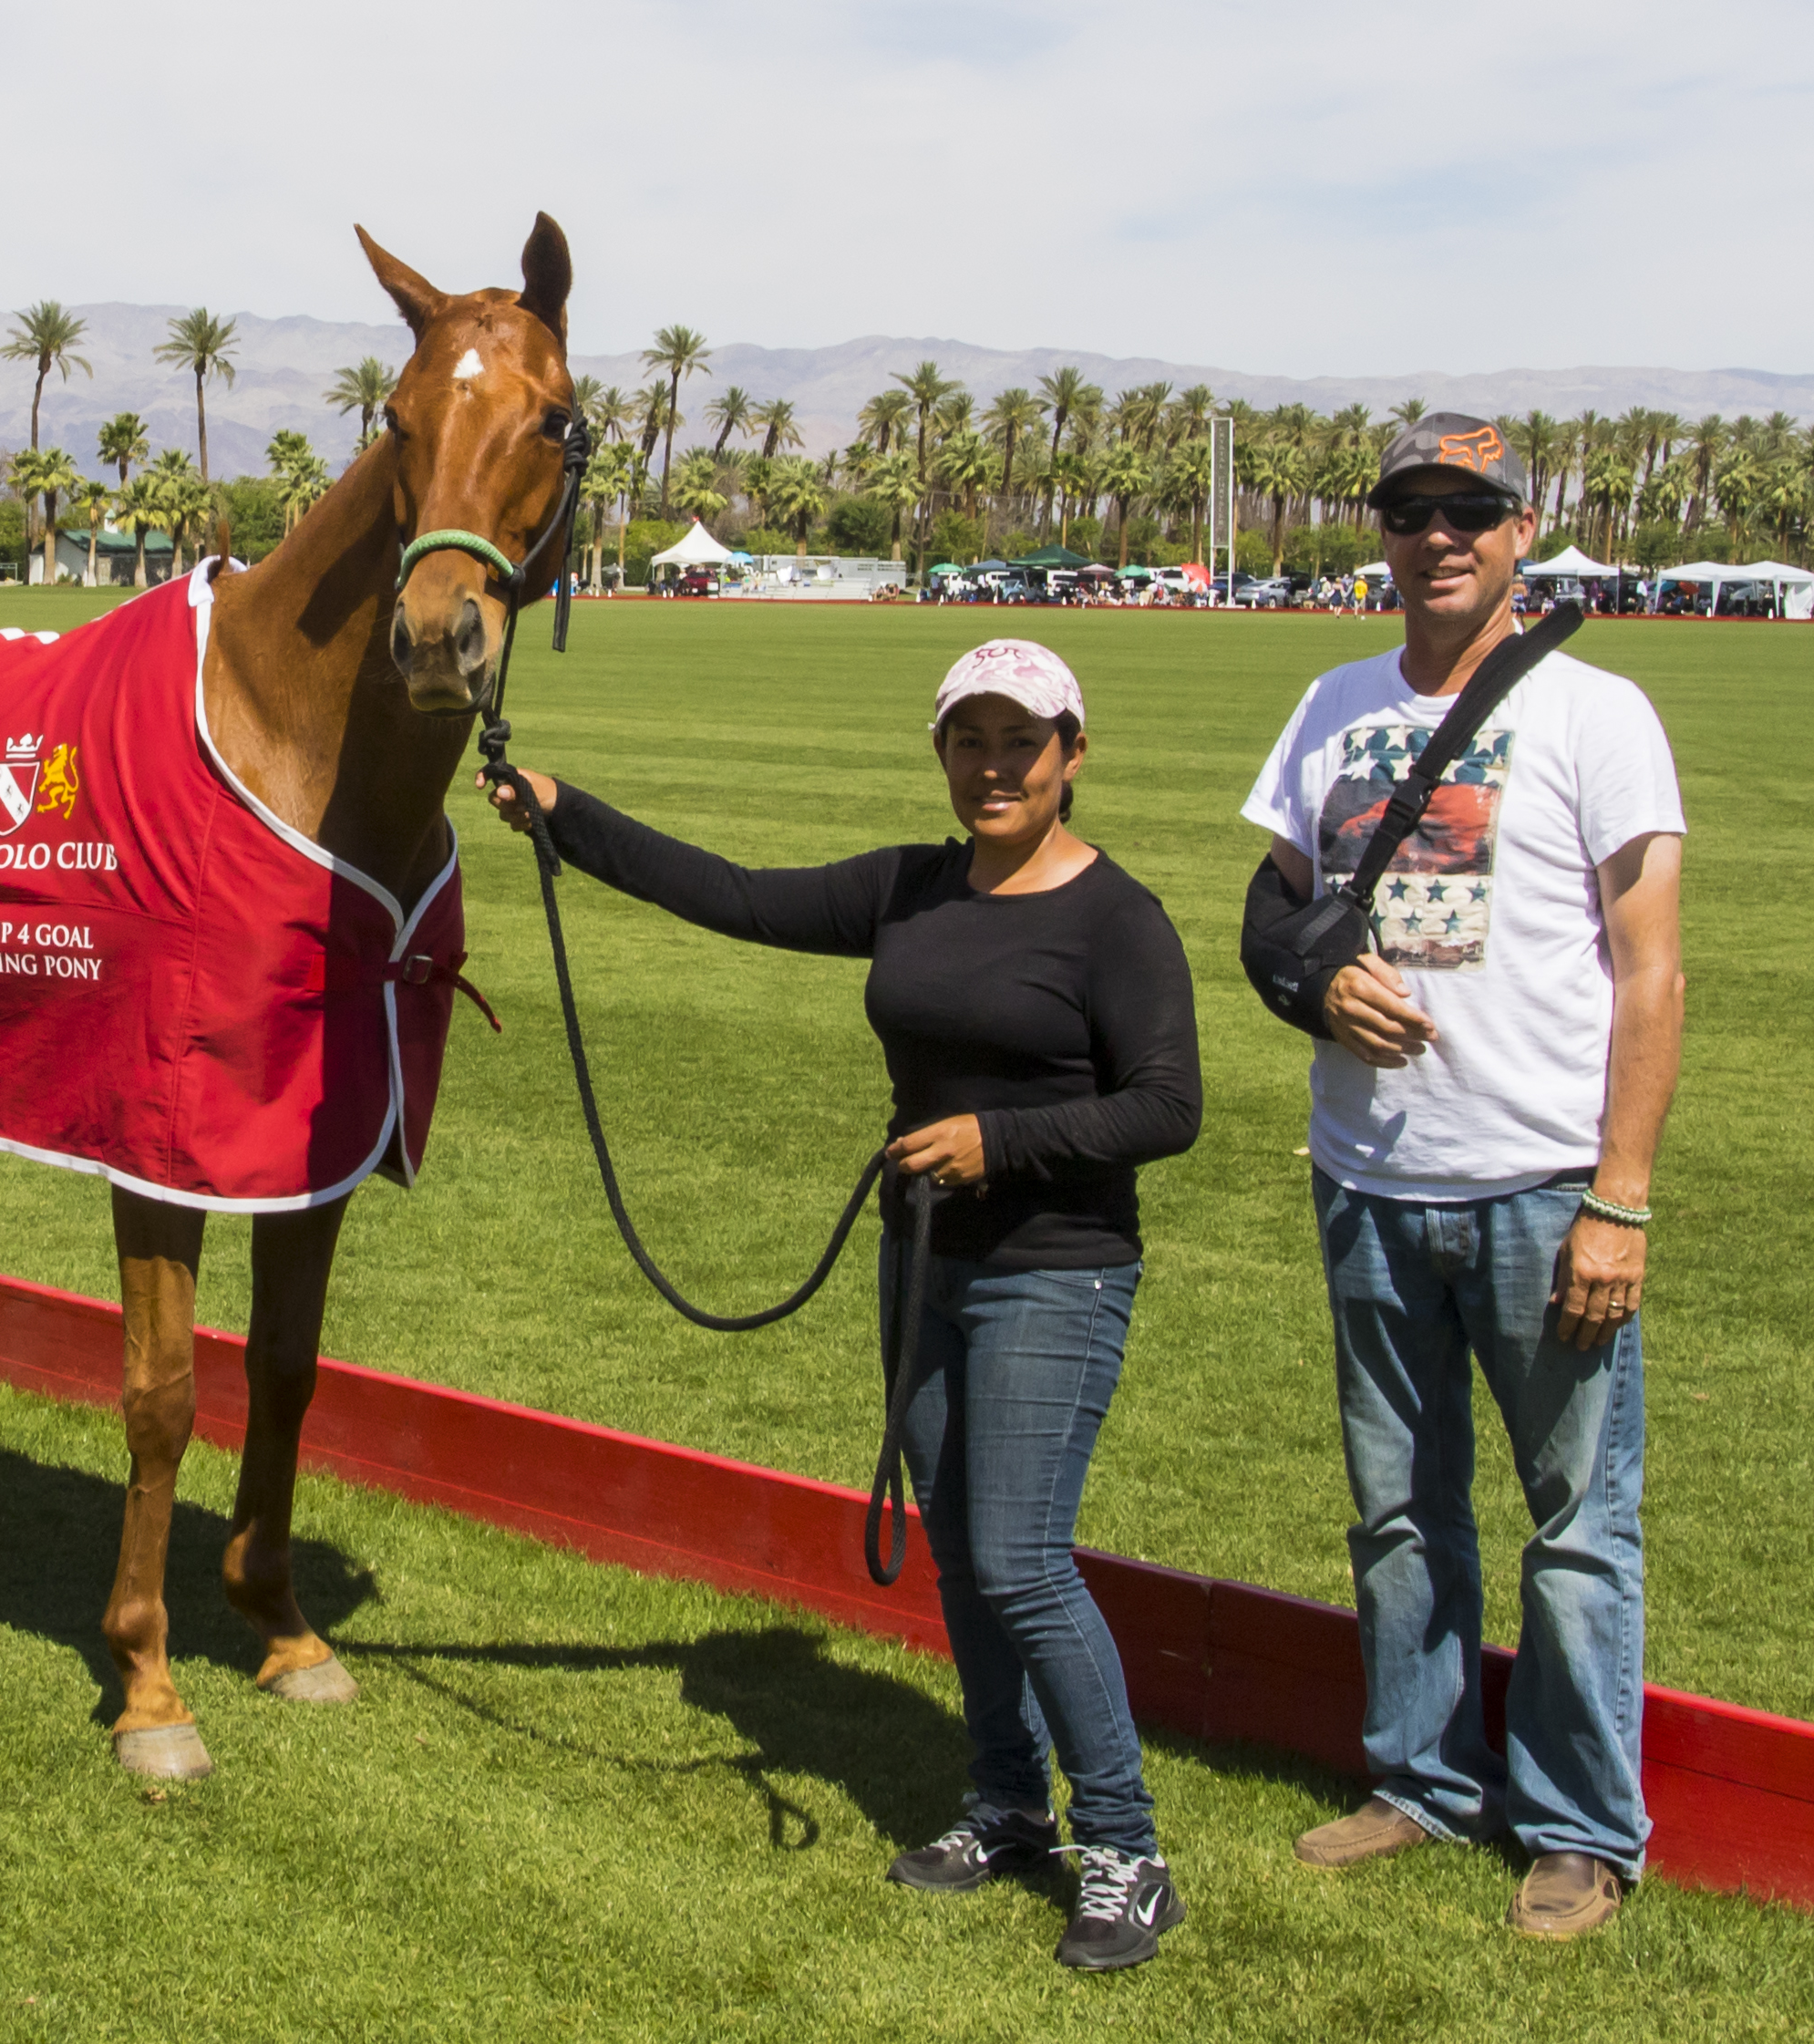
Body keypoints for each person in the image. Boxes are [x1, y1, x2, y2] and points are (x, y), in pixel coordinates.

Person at [485, 640, 1202, 1972]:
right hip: (922, 1261)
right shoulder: (911, 886)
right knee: (962, 1553)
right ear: (941, 751)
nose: (993, 766)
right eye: (969, 740)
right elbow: (735, 895)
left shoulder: (1118, 919)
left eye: (1021, 742)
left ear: (1072, 754)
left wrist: (998, 1139)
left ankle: (1126, 1847)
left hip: (1056, 1268)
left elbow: (1168, 1105)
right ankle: (1008, 1804)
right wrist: (568, 814)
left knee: (1023, 1559)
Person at [1238, 413, 1684, 1938]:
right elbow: (1272, 912)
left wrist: (1619, 1195)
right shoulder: (1330, 701)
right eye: (1410, 509)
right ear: (1379, 529)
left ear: (1517, 531)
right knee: (1397, 1509)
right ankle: (1420, 1776)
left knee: (1576, 1526)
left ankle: (1578, 1825)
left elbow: (1650, 968)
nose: (1437, 535)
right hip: (1368, 1175)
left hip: (1541, 1182)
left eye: (1469, 512)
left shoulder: (1597, 712)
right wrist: (1311, 986)